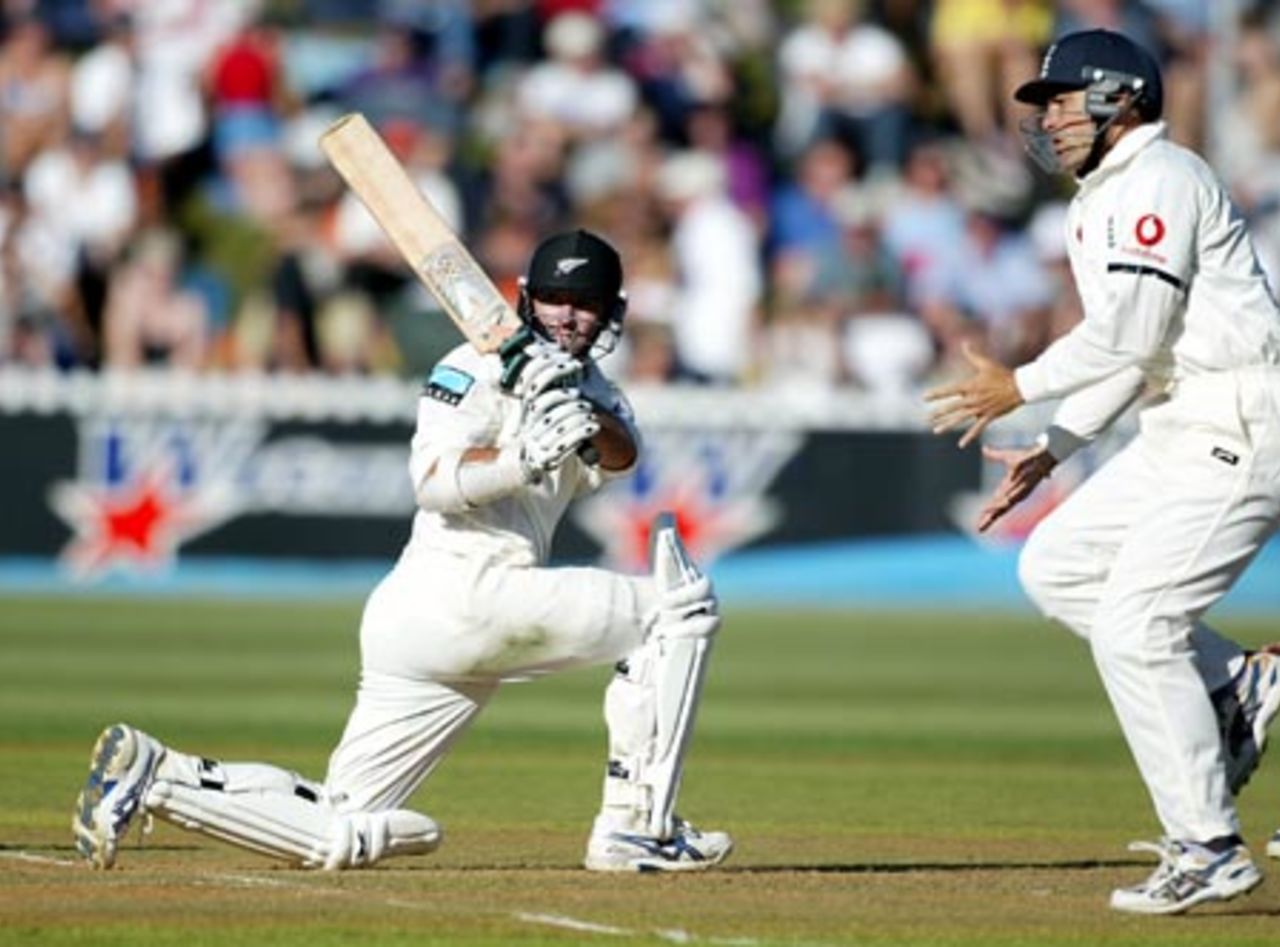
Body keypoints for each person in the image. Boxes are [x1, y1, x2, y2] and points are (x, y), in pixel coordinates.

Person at [72, 229, 733, 874]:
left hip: (442, 619)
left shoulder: (595, 393)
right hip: (464, 588)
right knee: (678, 607)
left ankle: (156, 776)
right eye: (556, 297)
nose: (568, 313)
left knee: (338, 819)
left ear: (613, 310)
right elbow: (434, 482)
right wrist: (519, 457)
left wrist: (582, 411)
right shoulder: (469, 367)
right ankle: (636, 827)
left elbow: (622, 454)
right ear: (525, 296)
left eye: (585, 300)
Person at [924, 29, 1280, 915]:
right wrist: (1055, 447)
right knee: (1056, 565)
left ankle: (1207, 846)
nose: (1046, 117)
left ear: (1121, 96)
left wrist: (1022, 385)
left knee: (1136, 624)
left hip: (1243, 418)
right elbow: (1136, 352)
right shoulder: (1105, 195)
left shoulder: (1160, 179)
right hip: (1181, 422)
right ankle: (1239, 687)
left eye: (1060, 98)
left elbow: (1131, 335)